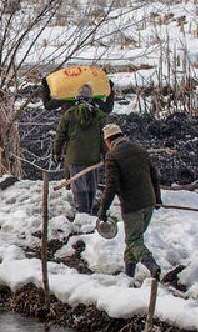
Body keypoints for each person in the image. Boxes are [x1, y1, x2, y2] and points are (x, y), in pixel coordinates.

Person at [97, 123, 163, 281]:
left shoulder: (113, 156)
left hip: (133, 205)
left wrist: (103, 210)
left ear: (108, 140)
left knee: (134, 241)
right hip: (149, 202)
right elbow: (154, 175)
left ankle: (152, 266)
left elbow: (112, 186)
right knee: (133, 238)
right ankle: (129, 275)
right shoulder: (139, 149)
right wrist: (157, 199)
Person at [52, 84, 106, 215]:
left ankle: (83, 213)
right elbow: (104, 138)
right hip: (94, 158)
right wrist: (106, 155)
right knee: (92, 184)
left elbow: (60, 135)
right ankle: (90, 212)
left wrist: (57, 153)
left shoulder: (69, 114)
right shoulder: (99, 115)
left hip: (74, 157)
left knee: (78, 186)